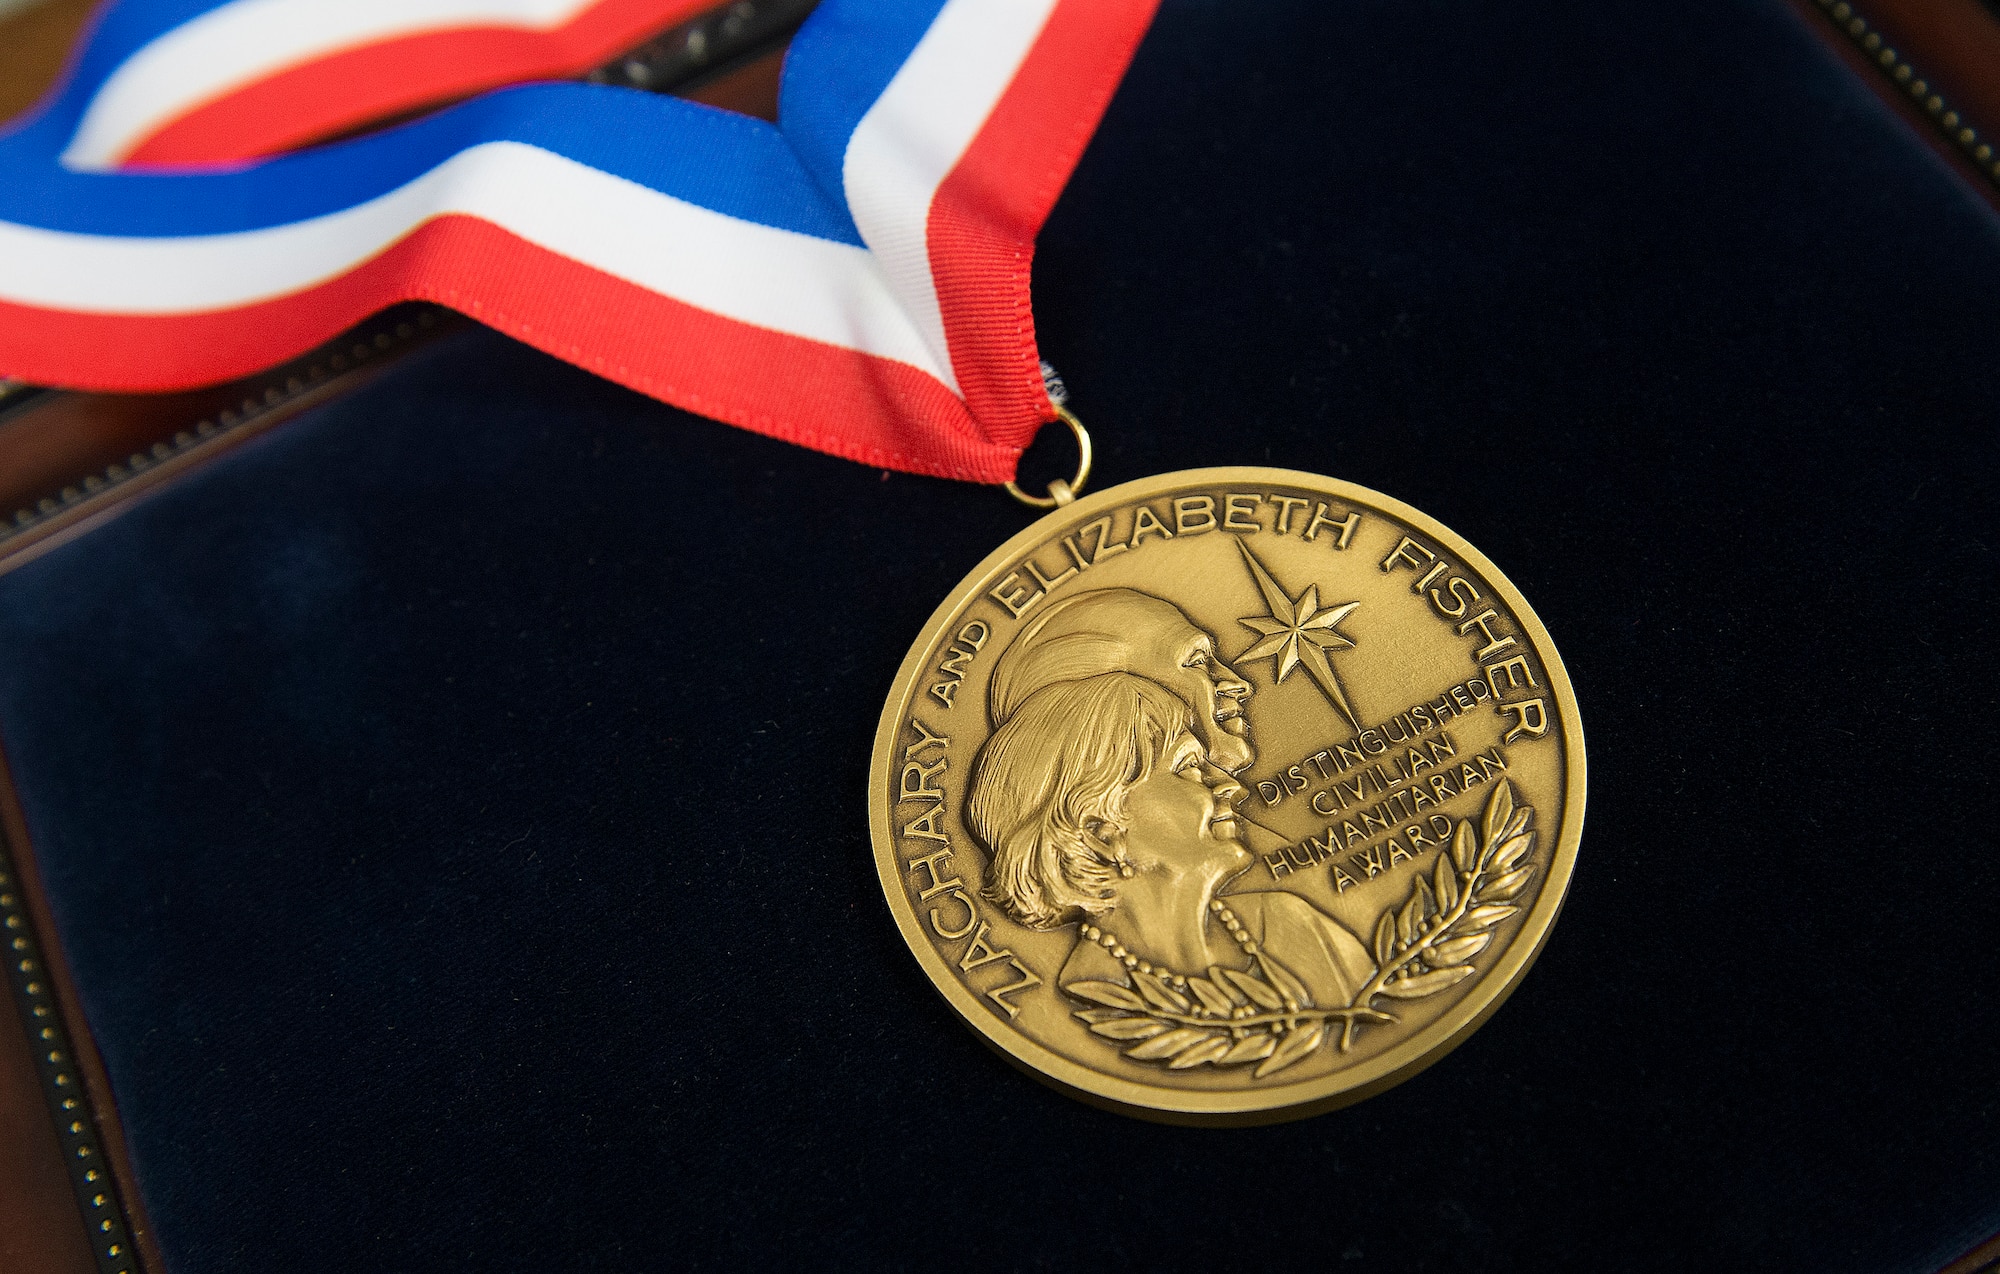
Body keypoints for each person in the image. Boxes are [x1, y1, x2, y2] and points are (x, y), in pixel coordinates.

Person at [965, 672, 1375, 1008]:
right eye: (1189, 768)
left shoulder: (1291, 924)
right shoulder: (1091, 995)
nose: (1228, 786)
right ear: (1100, 832)